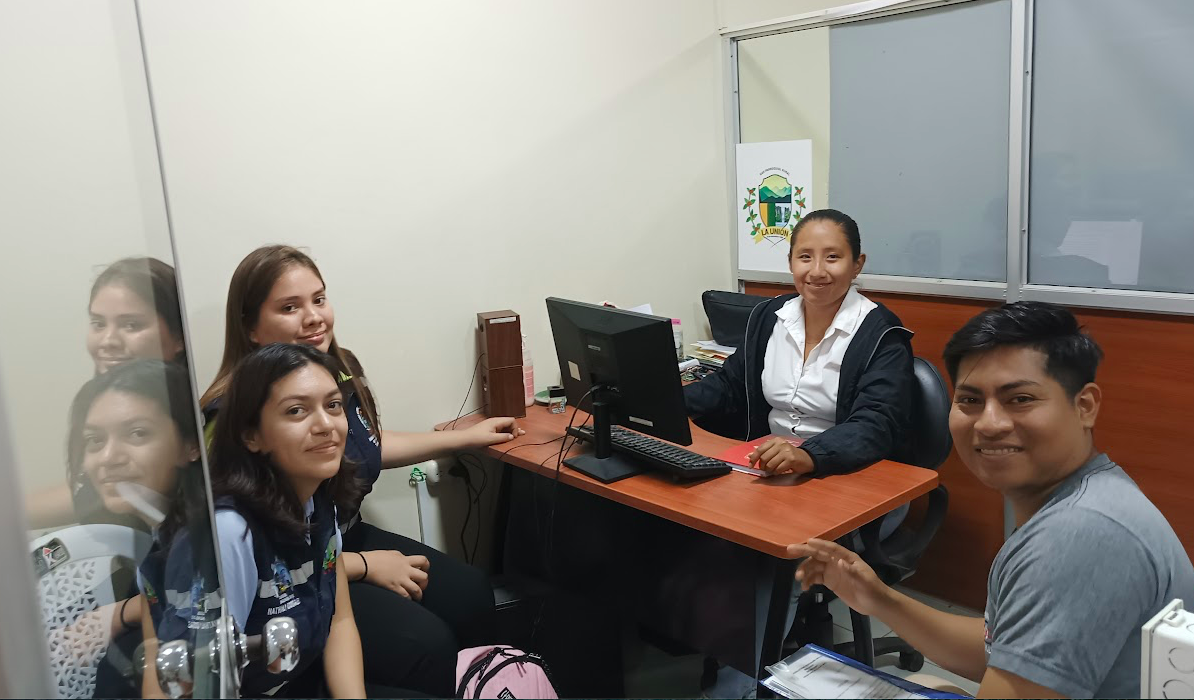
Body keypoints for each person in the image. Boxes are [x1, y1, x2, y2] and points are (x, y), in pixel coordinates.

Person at [789, 301, 1194, 699]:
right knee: (929, 684)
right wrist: (879, 599)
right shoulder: (1091, 494)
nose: (989, 423)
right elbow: (1006, 650)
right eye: (970, 400)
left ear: (1084, 406)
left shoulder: (1079, 535)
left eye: (1020, 399)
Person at [200, 245, 520, 696]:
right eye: (290, 307)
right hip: (287, 575)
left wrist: (463, 437)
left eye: (319, 299)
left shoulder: (338, 369)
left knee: (469, 592)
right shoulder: (232, 420)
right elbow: (251, 567)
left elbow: (364, 445)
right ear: (250, 328)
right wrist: (364, 566)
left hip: (336, 541)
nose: (313, 317)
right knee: (426, 644)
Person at [141, 344, 387, 697]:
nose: (325, 425)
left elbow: (340, 620)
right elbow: (198, 686)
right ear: (250, 435)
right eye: (296, 411)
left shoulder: (318, 496)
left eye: (333, 405)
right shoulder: (229, 532)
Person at [684, 209, 914, 477]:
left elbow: (877, 422)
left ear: (857, 265)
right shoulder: (769, 316)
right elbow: (730, 384)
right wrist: (668, 402)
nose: (816, 271)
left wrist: (809, 454)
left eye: (832, 257)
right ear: (791, 262)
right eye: (805, 257)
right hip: (767, 464)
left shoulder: (882, 333)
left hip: (840, 470)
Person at [57, 360, 200, 698]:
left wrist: (120, 615)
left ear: (190, 445)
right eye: (94, 440)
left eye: (137, 433)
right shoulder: (154, 531)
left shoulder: (197, 543)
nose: (109, 457)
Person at [28, 256, 188, 530]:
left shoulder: (196, 418)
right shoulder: (98, 403)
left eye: (131, 325)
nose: (108, 341)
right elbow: (86, 496)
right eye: (98, 324)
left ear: (179, 337)